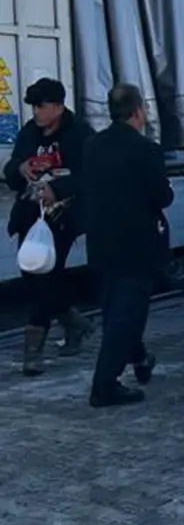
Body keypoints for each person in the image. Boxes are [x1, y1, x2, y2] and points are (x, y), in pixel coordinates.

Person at [82, 84, 174, 408]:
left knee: (115, 309)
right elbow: (162, 196)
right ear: (138, 112)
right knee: (127, 314)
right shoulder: (146, 150)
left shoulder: (92, 146)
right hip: (136, 245)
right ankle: (104, 384)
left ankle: (139, 358)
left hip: (101, 242)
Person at [5, 78, 96, 376]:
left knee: (45, 276)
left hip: (62, 217)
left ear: (58, 106)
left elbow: (89, 175)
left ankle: (34, 352)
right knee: (31, 272)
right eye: (33, 106)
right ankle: (74, 322)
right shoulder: (30, 132)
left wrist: (58, 189)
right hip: (30, 215)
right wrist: (20, 168)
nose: (36, 112)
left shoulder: (80, 134)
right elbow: (12, 167)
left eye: (41, 106)